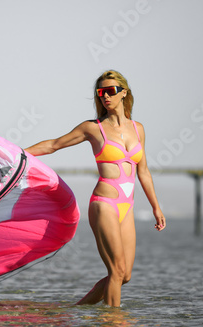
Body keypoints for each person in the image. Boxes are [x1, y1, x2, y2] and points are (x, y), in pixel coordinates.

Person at [24, 70, 166, 307]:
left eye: (110, 91)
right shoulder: (93, 128)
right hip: (104, 204)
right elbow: (53, 145)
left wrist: (156, 208)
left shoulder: (138, 129)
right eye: (100, 93)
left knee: (125, 275)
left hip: (127, 207)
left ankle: (77, 310)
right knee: (117, 270)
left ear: (124, 93)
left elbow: (143, 171)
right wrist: (17, 153)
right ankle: (114, 321)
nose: (105, 97)